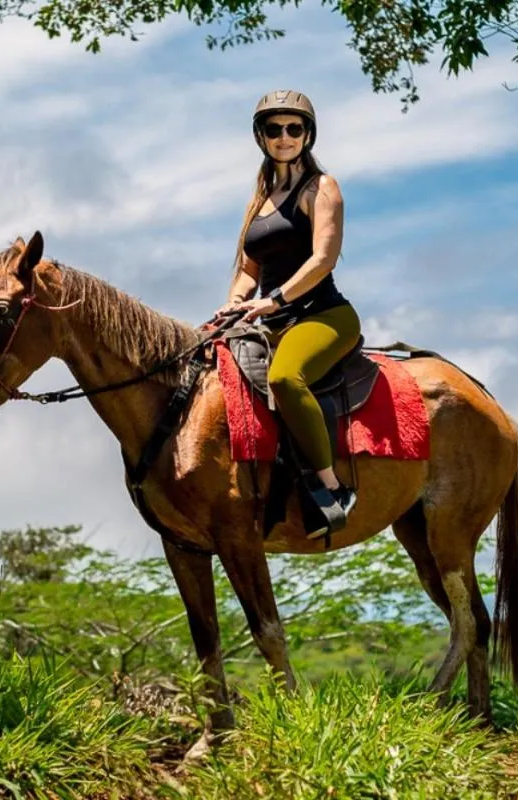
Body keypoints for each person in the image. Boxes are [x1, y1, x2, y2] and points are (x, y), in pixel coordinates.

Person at [214, 89, 362, 539]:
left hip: (323, 316)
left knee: (284, 378)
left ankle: (333, 489)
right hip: (269, 319)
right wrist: (233, 305)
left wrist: (274, 300)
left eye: (293, 129)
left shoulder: (321, 188)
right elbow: (246, 270)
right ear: (261, 136)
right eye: (274, 129)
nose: (284, 137)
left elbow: (323, 260)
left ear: (308, 135)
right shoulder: (257, 200)